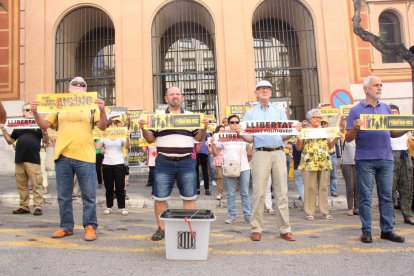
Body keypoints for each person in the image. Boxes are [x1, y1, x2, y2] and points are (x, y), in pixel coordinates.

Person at [32, 76, 107, 241]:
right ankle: (66, 227)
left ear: (86, 90)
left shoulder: (92, 105)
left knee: (89, 195)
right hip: (63, 156)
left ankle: (90, 226)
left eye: (82, 84)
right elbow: (45, 125)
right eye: (75, 84)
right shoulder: (60, 105)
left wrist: (102, 110)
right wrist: (36, 113)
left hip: (86, 156)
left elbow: (101, 126)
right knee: (64, 195)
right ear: (69, 88)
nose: (79, 86)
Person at [139, 86, 208, 241]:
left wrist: (204, 127)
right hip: (164, 161)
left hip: (186, 162)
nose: (175, 96)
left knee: (189, 197)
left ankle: (188, 229)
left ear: (182, 98)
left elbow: (198, 138)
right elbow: (150, 139)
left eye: (178, 94)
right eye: (172, 94)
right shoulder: (158, 117)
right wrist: (143, 128)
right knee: (160, 197)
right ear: (166, 99)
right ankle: (161, 229)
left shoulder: (191, 116)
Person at [346, 75, 407, 243]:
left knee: (386, 196)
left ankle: (387, 230)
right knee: (365, 197)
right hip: (365, 160)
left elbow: (392, 133)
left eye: (381, 85)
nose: (379, 88)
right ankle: (366, 231)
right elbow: (348, 138)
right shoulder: (355, 110)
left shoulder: (386, 108)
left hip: (386, 159)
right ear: (366, 89)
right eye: (376, 85)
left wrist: (407, 127)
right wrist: (355, 128)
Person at [237, 80, 296, 242]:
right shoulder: (250, 114)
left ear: (271, 92)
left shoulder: (279, 111)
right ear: (256, 93)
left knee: (281, 192)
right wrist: (240, 133)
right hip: (260, 153)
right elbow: (249, 137)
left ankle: (285, 229)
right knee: (259, 192)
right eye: (261, 89)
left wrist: (293, 132)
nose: (265, 91)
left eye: (267, 89)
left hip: (278, 152)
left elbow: (284, 135)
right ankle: (256, 228)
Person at [1, 103, 47, 216]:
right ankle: (24, 206)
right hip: (19, 160)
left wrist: (44, 130)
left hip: (33, 159)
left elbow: (46, 141)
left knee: (37, 184)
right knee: (21, 185)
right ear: (23, 112)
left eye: (31, 110)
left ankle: (38, 206)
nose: (29, 111)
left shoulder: (38, 125)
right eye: (27, 110)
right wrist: (4, 130)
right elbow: (10, 141)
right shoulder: (19, 126)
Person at [296, 109, 341, 221]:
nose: (318, 119)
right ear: (309, 119)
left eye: (320, 118)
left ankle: (325, 212)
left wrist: (336, 138)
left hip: (324, 161)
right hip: (309, 162)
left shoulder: (325, 131)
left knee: (324, 187)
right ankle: (309, 212)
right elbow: (298, 148)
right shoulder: (304, 131)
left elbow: (330, 146)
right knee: (309, 188)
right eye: (316, 117)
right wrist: (299, 139)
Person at [212, 114, 253, 223]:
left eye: (237, 122)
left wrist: (247, 160)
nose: (235, 124)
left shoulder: (245, 135)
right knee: (230, 193)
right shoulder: (223, 136)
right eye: (232, 122)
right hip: (229, 167)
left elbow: (250, 152)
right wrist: (212, 144)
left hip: (244, 167)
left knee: (244, 192)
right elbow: (216, 152)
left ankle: (248, 215)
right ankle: (231, 216)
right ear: (228, 124)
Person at [96, 116, 129, 216]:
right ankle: (109, 206)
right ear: (107, 126)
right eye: (111, 125)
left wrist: (127, 136)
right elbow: (97, 147)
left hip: (119, 163)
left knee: (120, 186)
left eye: (114, 124)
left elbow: (126, 146)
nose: (113, 126)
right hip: (107, 163)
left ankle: (122, 207)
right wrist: (95, 139)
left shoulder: (121, 135)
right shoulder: (104, 136)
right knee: (108, 187)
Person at [389, 104, 414, 225]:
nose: (394, 114)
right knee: (390, 187)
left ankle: (408, 214)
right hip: (391, 154)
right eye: (391, 112)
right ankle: (390, 216)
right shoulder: (386, 125)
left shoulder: (404, 123)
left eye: (396, 112)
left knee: (407, 185)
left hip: (405, 154)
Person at [208, 125, 225, 200]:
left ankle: (231, 192)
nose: (222, 132)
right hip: (219, 159)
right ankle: (220, 192)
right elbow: (213, 152)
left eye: (223, 130)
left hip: (229, 159)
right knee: (220, 177)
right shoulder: (213, 139)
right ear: (217, 131)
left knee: (230, 177)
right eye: (220, 130)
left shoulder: (229, 137)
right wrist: (213, 144)